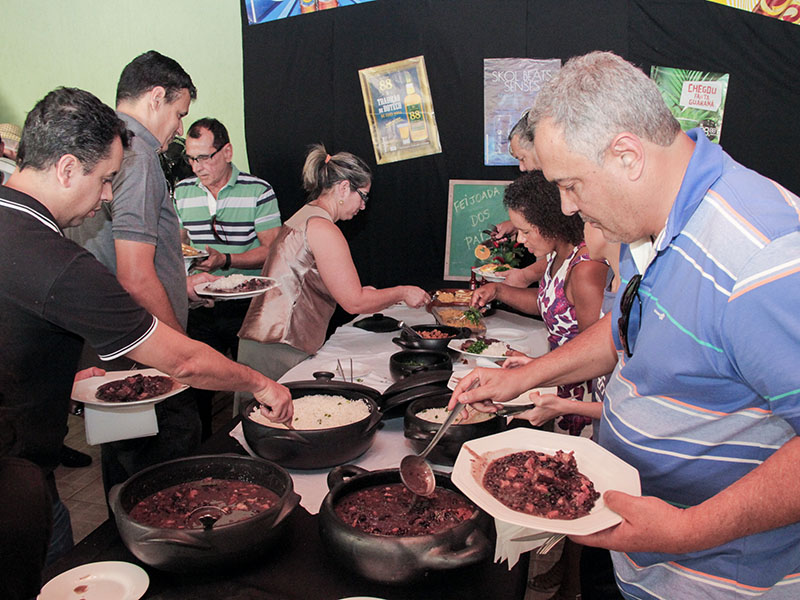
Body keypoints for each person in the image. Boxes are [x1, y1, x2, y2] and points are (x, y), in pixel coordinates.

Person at [451, 51, 800, 599]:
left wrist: (689, 530)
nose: (565, 205)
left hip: (722, 579)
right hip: (645, 565)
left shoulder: (762, 256)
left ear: (627, 155)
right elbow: (623, 330)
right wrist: (523, 377)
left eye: (570, 184)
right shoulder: (649, 228)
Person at [0, 86, 292, 568]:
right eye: (106, 179)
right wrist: (261, 384)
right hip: (16, 482)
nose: (108, 196)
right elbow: (183, 359)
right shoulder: (57, 261)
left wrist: (58, 378)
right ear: (68, 168)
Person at [66, 50, 208, 494]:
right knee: (165, 486)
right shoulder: (138, 153)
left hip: (114, 341)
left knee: (128, 479)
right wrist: (181, 351)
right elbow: (134, 274)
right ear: (156, 97)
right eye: (179, 113)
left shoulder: (102, 143)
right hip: (146, 348)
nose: (180, 128)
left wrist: (180, 287)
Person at [236, 144, 430, 391]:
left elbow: (311, 282)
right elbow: (354, 303)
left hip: (262, 342)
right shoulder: (323, 228)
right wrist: (402, 292)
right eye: (364, 197)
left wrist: (370, 295)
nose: (363, 207)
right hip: (281, 346)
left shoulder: (306, 215)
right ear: (344, 187)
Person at [471, 170, 608, 436]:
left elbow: (596, 353)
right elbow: (552, 305)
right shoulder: (558, 255)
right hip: (560, 385)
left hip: (580, 402)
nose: (520, 240)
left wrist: (536, 368)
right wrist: (498, 291)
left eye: (525, 231)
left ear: (550, 222)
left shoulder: (586, 270)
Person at [174, 117, 282, 439]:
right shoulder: (181, 192)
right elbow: (177, 244)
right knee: (197, 387)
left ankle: (257, 442)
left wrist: (227, 259)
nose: (197, 167)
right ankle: (203, 452)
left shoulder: (258, 190)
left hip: (245, 305)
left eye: (204, 157)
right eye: (191, 158)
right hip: (201, 304)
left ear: (227, 151)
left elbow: (272, 250)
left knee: (251, 383)